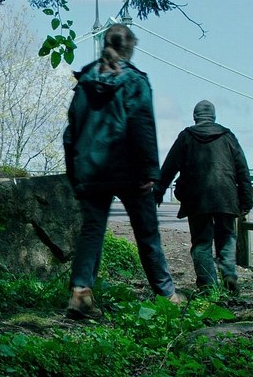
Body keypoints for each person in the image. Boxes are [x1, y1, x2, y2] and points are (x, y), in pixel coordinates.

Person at [63, 23, 184, 319]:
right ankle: (167, 295)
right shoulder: (135, 81)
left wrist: (75, 174)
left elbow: (71, 133)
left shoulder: (84, 82)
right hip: (130, 171)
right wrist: (150, 172)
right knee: (147, 233)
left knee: (92, 231)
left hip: (91, 171)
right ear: (130, 48)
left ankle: (80, 294)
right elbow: (142, 126)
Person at [154, 100, 253, 294]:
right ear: (214, 117)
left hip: (197, 200)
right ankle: (229, 276)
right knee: (226, 238)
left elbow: (169, 168)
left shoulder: (186, 137)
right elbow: (243, 171)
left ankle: (208, 286)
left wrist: (157, 194)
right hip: (226, 198)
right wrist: (246, 201)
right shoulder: (228, 137)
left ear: (195, 117)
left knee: (201, 243)